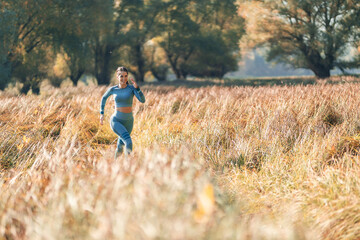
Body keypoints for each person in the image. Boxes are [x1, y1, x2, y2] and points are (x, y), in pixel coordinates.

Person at [100, 66, 145, 158]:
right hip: (116, 121)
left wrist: (138, 89)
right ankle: (128, 166)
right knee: (128, 142)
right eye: (121, 76)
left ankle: (116, 165)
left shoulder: (131, 88)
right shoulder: (113, 89)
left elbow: (142, 100)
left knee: (120, 146)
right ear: (117, 77)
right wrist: (101, 113)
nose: (123, 78)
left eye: (125, 76)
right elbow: (103, 98)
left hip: (129, 121)